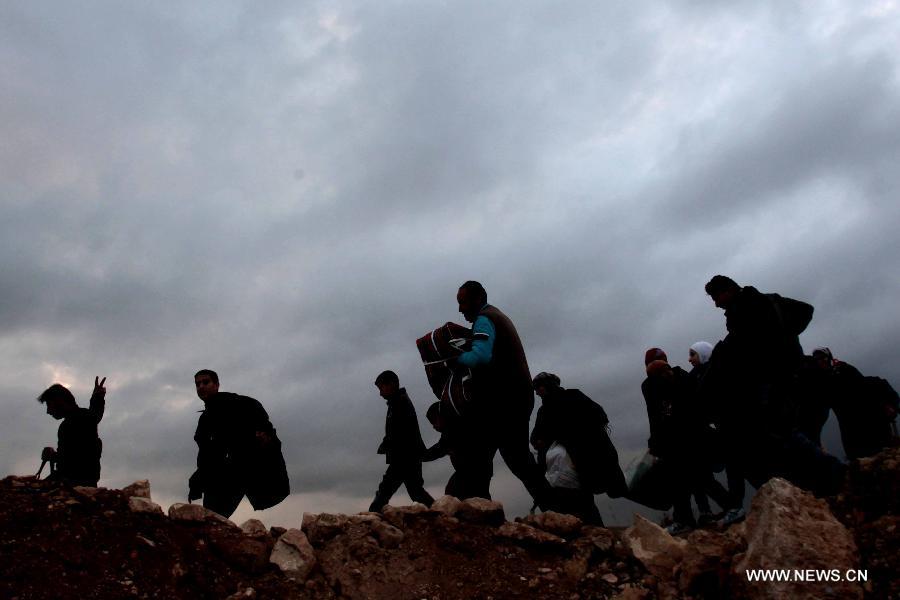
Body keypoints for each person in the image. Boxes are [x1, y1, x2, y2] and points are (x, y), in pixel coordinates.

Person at [454, 280, 552, 509]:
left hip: (501, 403)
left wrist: (455, 357)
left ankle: (479, 515)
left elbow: (480, 356)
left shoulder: (485, 318)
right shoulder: (498, 316)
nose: (460, 309)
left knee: (477, 459)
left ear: (477, 299)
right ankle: (556, 510)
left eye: (463, 302)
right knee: (518, 461)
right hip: (516, 399)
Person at [189, 369, 289, 518]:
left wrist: (262, 435)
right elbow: (206, 454)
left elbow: (264, 429)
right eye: (198, 384)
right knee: (211, 519)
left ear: (216, 385)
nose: (201, 387)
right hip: (221, 476)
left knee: (212, 519)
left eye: (206, 382)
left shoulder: (239, 404)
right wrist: (197, 480)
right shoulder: (205, 421)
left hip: (238, 471)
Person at [531, 372, 626, 525]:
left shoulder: (568, 399)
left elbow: (599, 417)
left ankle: (594, 537)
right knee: (581, 504)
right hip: (568, 466)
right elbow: (536, 438)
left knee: (580, 504)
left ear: (545, 387)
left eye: (538, 388)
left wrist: (569, 436)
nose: (536, 392)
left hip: (579, 463)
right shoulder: (547, 409)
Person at [369, 371, 435, 512]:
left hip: (404, 457)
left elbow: (402, 432)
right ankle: (438, 512)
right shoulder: (397, 402)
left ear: (391, 384)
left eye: (381, 388)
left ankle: (371, 517)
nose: (380, 393)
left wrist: (388, 443)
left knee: (386, 490)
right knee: (415, 491)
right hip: (406, 457)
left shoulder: (400, 403)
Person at [37, 377, 107, 487]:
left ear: (59, 402)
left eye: (49, 405)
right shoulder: (81, 419)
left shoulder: (74, 423)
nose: (48, 411)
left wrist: (53, 456)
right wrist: (97, 396)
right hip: (80, 481)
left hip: (75, 483)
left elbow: (73, 462)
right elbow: (72, 456)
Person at [422, 401, 492, 500]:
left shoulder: (452, 431)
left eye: (434, 422)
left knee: (454, 495)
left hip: (471, 471)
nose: (434, 426)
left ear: (441, 417)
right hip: (477, 469)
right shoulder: (455, 426)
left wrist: (420, 456)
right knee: (479, 497)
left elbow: (438, 450)